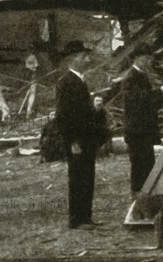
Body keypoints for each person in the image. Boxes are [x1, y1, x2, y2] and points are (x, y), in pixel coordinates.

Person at [55, 41, 101, 230]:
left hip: (85, 138)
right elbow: (64, 116)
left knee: (87, 176)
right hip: (76, 140)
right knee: (77, 178)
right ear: (72, 59)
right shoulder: (66, 82)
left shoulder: (80, 80)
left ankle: (86, 216)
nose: (87, 59)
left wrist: (95, 110)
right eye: (83, 56)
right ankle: (76, 219)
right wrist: (73, 140)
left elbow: (81, 112)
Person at [122, 47, 163, 199]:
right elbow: (139, 101)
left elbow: (155, 102)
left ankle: (147, 197)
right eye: (146, 59)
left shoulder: (143, 76)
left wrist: (160, 94)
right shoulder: (130, 78)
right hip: (136, 131)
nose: (149, 62)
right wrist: (158, 91)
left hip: (145, 130)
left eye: (150, 59)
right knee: (139, 166)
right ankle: (138, 201)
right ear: (137, 58)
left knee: (148, 165)